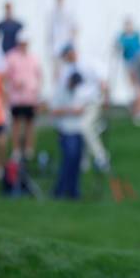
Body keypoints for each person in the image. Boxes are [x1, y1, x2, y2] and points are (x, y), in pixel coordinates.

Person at [58, 44, 109, 171]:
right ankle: (83, 160)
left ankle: (101, 156)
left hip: (92, 102)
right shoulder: (66, 70)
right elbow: (66, 88)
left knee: (84, 127)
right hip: (76, 106)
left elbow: (101, 78)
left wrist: (104, 95)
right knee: (82, 130)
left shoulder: (87, 62)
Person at [50, 71, 91, 199]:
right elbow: (54, 111)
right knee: (68, 161)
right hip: (66, 131)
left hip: (78, 130)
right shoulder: (60, 92)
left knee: (76, 161)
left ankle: (73, 190)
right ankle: (60, 190)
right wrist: (71, 111)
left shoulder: (78, 92)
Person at [5, 30, 42, 160]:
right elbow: (6, 76)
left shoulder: (34, 57)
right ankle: (16, 149)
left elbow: (39, 76)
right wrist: (14, 83)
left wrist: (38, 94)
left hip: (30, 97)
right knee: (16, 123)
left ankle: (28, 149)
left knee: (30, 124)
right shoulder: (11, 57)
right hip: (16, 97)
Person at [48, 0, 76, 79]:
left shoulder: (69, 12)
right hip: (56, 46)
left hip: (66, 45)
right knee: (56, 69)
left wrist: (71, 43)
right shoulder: (52, 13)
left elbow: (74, 28)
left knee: (68, 68)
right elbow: (50, 32)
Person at [116, 19, 140, 93]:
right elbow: (119, 47)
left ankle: (138, 94)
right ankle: (133, 94)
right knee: (130, 79)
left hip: (137, 60)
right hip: (127, 60)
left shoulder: (136, 35)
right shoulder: (122, 37)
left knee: (137, 78)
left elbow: (139, 46)